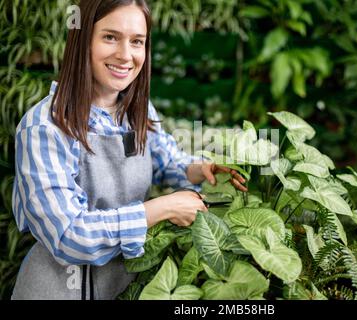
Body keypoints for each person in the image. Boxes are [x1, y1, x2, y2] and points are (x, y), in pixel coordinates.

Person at [11, 0, 247, 300]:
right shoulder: (44, 128)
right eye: (110, 37)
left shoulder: (136, 110)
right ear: (83, 40)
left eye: (137, 42)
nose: (125, 55)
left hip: (125, 288)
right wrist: (163, 208)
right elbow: (68, 236)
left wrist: (200, 170)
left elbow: (164, 160)